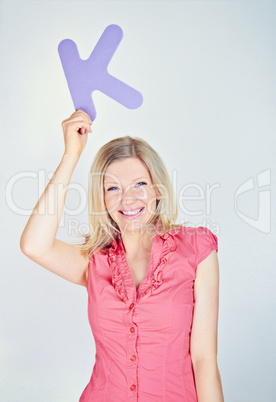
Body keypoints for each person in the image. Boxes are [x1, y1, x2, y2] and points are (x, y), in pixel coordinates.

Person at [20, 109, 224, 401]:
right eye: (113, 188)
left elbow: (204, 358)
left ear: (158, 189)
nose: (128, 198)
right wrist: (70, 156)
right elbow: (34, 245)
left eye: (140, 184)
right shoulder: (95, 260)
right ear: (101, 198)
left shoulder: (197, 250)